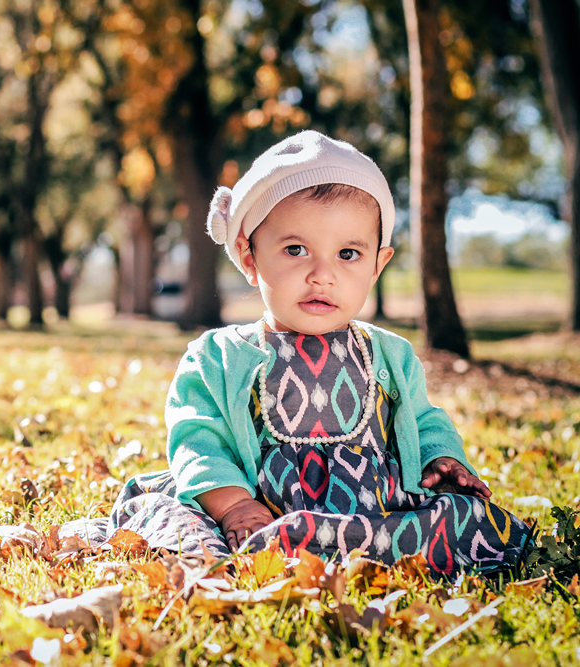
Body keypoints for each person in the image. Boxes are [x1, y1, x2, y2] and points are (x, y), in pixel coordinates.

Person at [61, 130, 530, 575]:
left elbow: (424, 421)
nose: (322, 275)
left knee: (467, 517)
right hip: (258, 509)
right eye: (295, 249)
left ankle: (355, 540)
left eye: (348, 254)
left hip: (374, 509)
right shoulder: (218, 357)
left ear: (377, 265)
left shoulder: (391, 355)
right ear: (250, 257)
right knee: (183, 521)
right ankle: (261, 536)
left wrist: (440, 459)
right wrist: (235, 505)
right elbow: (200, 441)